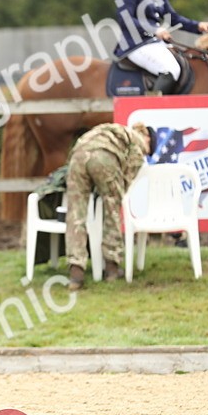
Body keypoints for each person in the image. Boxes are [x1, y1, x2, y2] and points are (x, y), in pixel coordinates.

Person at [64, 121, 155, 290]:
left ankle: (76, 272)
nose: (146, 153)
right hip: (103, 156)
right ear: (147, 138)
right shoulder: (138, 142)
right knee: (112, 208)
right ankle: (112, 267)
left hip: (78, 154)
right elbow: (124, 184)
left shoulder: (115, 130)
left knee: (76, 212)